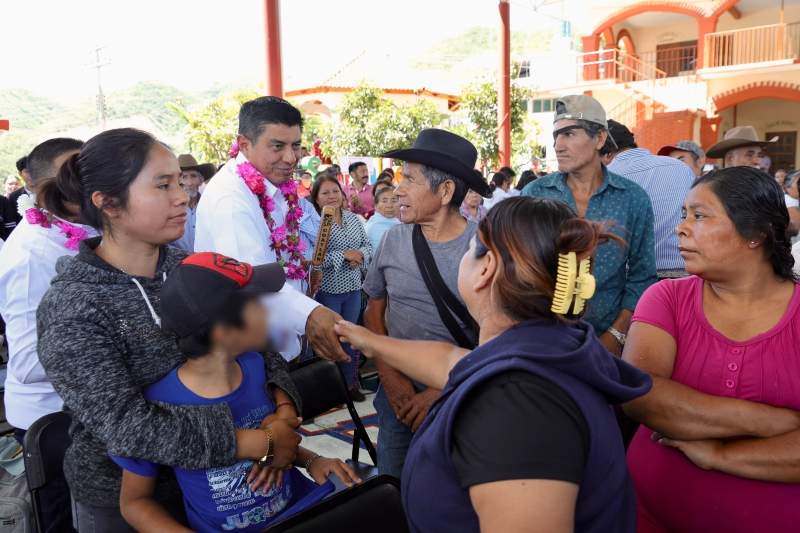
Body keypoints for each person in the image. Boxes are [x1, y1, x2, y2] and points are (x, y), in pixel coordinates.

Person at [36, 128, 337, 530]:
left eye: (179, 182)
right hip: (138, 499)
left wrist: (282, 413)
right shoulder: (73, 306)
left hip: (236, 483)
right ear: (108, 203)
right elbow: (126, 426)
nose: (182, 196)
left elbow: (259, 345)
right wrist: (251, 442)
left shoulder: (186, 265)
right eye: (162, 186)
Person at [336, 197, 652, 533]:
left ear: (486, 268)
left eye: (471, 246)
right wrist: (364, 338)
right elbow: (450, 360)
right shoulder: (548, 346)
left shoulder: (516, 406)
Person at [114, 252, 359, 533]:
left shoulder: (257, 368)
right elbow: (134, 502)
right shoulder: (159, 405)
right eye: (256, 303)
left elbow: (275, 443)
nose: (268, 310)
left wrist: (313, 460)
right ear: (224, 331)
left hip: (297, 513)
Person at [622, 167, 800, 533]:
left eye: (699, 216)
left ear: (755, 233)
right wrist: (770, 422)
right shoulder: (666, 297)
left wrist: (721, 454)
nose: (681, 228)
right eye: (684, 215)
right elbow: (642, 394)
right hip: (649, 517)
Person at [363, 128, 491, 478]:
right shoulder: (393, 239)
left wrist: (441, 391)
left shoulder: (484, 248)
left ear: (446, 190)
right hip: (397, 401)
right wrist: (392, 381)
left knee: (457, 489)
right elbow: (374, 309)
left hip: (463, 395)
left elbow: (499, 336)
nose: (398, 189)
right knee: (394, 484)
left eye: (411, 179)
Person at [194, 96, 347, 361]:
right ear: (244, 144)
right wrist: (311, 314)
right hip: (253, 352)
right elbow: (251, 279)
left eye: (296, 145)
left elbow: (282, 252)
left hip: (280, 341)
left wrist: (305, 272)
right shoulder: (231, 199)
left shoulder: (273, 185)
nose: (291, 158)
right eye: (277, 146)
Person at [0, 137, 90, 532]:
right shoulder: (30, 254)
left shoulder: (84, 225)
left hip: (87, 407)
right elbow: (29, 362)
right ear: (36, 187)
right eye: (69, 176)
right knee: (68, 520)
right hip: (53, 419)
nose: (81, 184)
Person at [523, 95, 657, 356]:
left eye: (569, 134)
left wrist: (616, 336)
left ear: (599, 139)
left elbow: (642, 276)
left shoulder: (632, 198)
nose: (558, 146)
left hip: (607, 340)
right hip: (540, 340)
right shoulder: (534, 193)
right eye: (555, 137)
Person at [309, 175, 372, 400]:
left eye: (335, 191)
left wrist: (360, 255)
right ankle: (331, 388)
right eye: (325, 193)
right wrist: (343, 256)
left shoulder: (354, 219)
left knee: (351, 336)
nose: (331, 196)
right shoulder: (315, 223)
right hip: (328, 289)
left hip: (354, 287)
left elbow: (367, 245)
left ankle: (350, 384)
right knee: (329, 339)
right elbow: (314, 259)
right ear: (316, 198)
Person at [607, 120, 694, 280]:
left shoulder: (607, 176)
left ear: (605, 152)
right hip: (687, 273)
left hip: (635, 280)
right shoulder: (680, 167)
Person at [171, 154, 215, 252]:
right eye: (184, 177)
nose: (189, 183)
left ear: (200, 180)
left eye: (193, 176)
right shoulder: (169, 208)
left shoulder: (209, 204)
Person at [706, 126, 777, 169]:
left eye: (759, 155)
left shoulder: (760, 188)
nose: (757, 161)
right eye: (749, 155)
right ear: (730, 159)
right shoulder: (714, 189)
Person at [365, 185, 400, 252]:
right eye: (384, 201)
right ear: (376, 206)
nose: (389, 205)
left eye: (394, 200)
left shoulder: (399, 222)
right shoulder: (374, 227)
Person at [5, 156, 30, 228]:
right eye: (27, 171)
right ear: (20, 174)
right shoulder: (14, 196)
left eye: (34, 170)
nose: (31, 174)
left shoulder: (48, 192)